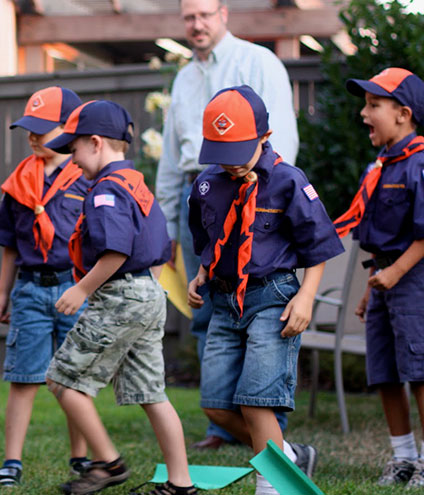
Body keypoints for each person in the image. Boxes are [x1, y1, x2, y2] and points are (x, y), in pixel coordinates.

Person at [155, 0, 298, 450]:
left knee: (260, 310)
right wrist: (167, 225)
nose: (195, 25)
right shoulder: (183, 78)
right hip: (197, 195)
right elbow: (170, 157)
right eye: (188, 17)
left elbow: (283, 136)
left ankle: (269, 428)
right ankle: (222, 425)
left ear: (224, 14)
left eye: (203, 15)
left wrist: (273, 199)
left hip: (254, 192)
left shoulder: (258, 61)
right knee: (209, 309)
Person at [186, 86, 343, 495]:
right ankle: (287, 455)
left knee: (257, 401)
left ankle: (271, 486)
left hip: (273, 297)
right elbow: (206, 234)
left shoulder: (289, 182)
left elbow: (318, 246)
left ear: (264, 136)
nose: (230, 164)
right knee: (217, 406)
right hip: (223, 301)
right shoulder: (206, 184)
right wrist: (202, 272)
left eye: (239, 151)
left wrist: (306, 296)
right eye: (220, 152)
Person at [42, 100, 195, 495]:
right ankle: (180, 484)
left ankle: (108, 463)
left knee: (62, 380)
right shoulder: (137, 184)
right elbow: (161, 246)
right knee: (152, 393)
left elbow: (116, 250)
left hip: (120, 295)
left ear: (95, 143)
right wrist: (146, 295)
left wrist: (82, 289)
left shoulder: (105, 191)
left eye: (73, 149)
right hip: (149, 291)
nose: (71, 160)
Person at [0, 86, 89, 487]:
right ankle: (11, 459)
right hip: (29, 290)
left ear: (68, 130)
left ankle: (80, 457)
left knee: (75, 377)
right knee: (24, 377)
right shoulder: (18, 182)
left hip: (73, 290)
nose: (32, 136)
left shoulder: (87, 178)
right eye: (28, 129)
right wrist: (2, 291)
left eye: (42, 129)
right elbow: (10, 243)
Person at [335, 68, 424, 487]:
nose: (363, 113)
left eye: (374, 105)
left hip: (415, 281)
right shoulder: (381, 167)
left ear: (404, 113)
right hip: (385, 279)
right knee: (385, 371)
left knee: (420, 371)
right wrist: (375, 287)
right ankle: (403, 457)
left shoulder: (418, 165)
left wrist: (397, 272)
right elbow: (375, 234)